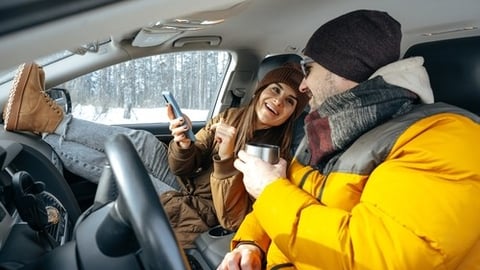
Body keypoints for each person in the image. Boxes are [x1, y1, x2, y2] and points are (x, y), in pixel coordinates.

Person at [217, 9, 480, 270]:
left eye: (308, 69)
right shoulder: (325, 128)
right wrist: (251, 244)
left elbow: (378, 258)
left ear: (341, 68)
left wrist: (269, 191)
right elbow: (290, 196)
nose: (303, 87)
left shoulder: (445, 137)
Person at [2, 62, 309, 248]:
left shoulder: (275, 156)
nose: (278, 101)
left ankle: (43, 129)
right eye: (276, 90)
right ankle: (46, 122)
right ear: (261, 90)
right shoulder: (229, 117)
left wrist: (226, 161)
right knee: (143, 141)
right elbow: (184, 165)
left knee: (122, 169)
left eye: (290, 101)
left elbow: (232, 219)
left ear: (291, 115)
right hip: (183, 179)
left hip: (200, 208)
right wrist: (183, 144)